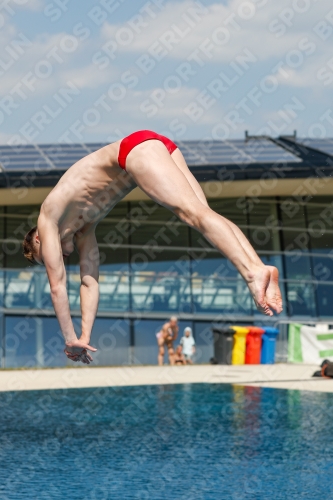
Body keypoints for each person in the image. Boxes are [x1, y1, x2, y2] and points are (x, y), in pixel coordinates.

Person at [22, 129, 283, 364]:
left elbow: (58, 287)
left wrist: (68, 339)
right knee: (203, 214)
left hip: (135, 151)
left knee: (191, 213)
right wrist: (84, 336)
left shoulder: (48, 218)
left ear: (38, 241)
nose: (56, 258)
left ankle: (252, 274)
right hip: (155, 147)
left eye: (44, 257)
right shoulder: (84, 230)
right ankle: (260, 267)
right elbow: (90, 283)